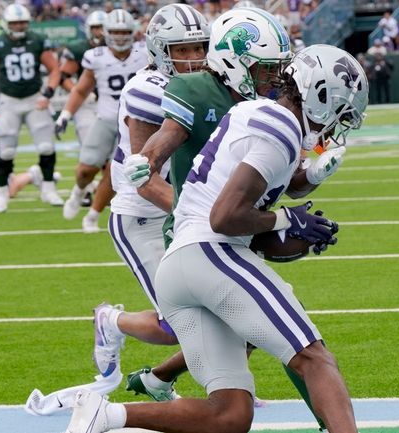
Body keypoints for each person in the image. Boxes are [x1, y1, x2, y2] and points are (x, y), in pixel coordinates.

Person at [63, 43, 367, 433]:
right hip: (211, 254)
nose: (334, 127)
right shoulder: (282, 126)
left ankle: (105, 415)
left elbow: (254, 211)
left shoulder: (251, 112)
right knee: (315, 358)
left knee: (231, 414)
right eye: (339, 115)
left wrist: (295, 227)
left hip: (180, 269)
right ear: (321, 97)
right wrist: (285, 219)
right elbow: (224, 217)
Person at [121, 7, 340, 431]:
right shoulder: (198, 90)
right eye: (264, 69)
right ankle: (331, 420)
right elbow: (164, 142)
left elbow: (282, 180)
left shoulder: (263, 106)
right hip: (210, 229)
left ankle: (149, 384)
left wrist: (311, 174)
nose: (273, 79)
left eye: (277, 70)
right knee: (291, 336)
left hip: (234, 222)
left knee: (249, 359)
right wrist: (149, 164)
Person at [24, 5, 210, 413]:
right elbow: (145, 179)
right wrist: (198, 214)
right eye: (184, 49)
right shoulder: (148, 88)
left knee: (228, 312)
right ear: (161, 51)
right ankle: (112, 321)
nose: (195, 56)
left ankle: (166, 381)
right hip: (143, 214)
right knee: (179, 324)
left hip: (184, 207)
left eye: (200, 46)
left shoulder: (209, 82)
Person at [55, 9, 149, 233]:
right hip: (105, 118)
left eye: (124, 31)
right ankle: (78, 191)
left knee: (113, 172)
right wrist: (65, 115)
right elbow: (80, 90)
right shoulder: (95, 56)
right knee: (85, 170)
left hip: (133, 123)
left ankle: (92, 215)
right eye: (115, 32)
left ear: (132, 32)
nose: (119, 36)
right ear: (106, 32)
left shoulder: (144, 53)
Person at [0, 3, 63, 213]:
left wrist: (48, 93)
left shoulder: (36, 40)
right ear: (6, 24)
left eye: (22, 22)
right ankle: (1, 193)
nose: (19, 26)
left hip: (34, 98)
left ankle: (48, 188)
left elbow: (54, 69)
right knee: (6, 150)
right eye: (15, 23)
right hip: (8, 100)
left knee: (46, 146)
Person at [57, 10, 108, 208]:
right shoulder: (79, 49)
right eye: (96, 28)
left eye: (103, 28)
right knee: (90, 148)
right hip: (87, 104)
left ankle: (109, 189)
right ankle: (87, 190)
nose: (99, 32)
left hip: (111, 102)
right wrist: (81, 91)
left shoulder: (118, 47)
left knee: (114, 150)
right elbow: (63, 77)